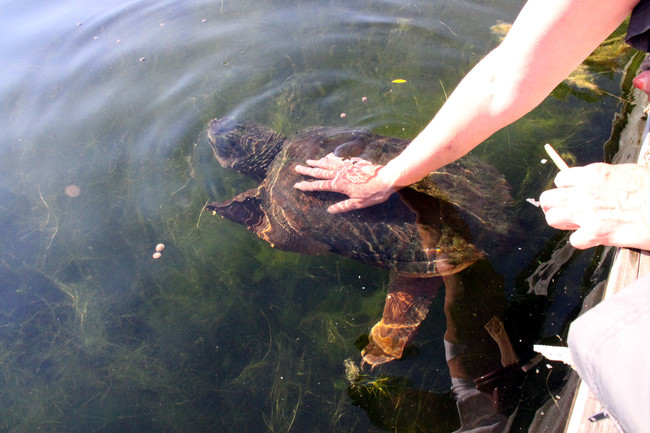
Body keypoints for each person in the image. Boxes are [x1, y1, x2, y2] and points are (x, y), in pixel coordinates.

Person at [294, 0, 650, 430]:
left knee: (600, 346)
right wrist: (391, 176)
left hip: (481, 260)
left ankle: (483, 398)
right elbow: (504, 78)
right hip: (478, 219)